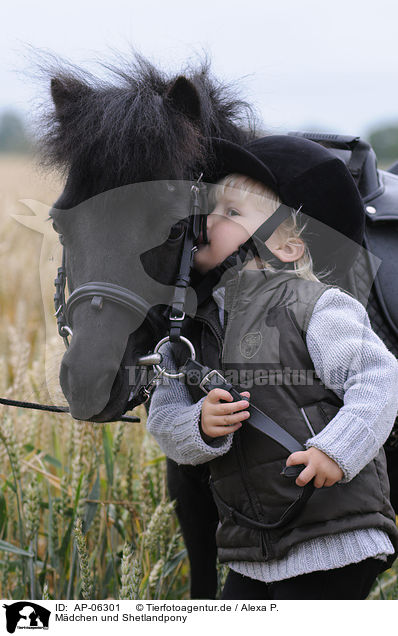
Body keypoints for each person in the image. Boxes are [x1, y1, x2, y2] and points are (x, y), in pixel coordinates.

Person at [146, 135, 398, 600]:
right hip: (258, 550)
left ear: (286, 247)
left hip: (337, 537)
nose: (209, 221)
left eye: (233, 213)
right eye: (211, 208)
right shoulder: (185, 335)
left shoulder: (316, 308)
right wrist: (197, 425)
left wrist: (336, 451)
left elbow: (379, 381)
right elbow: (162, 420)